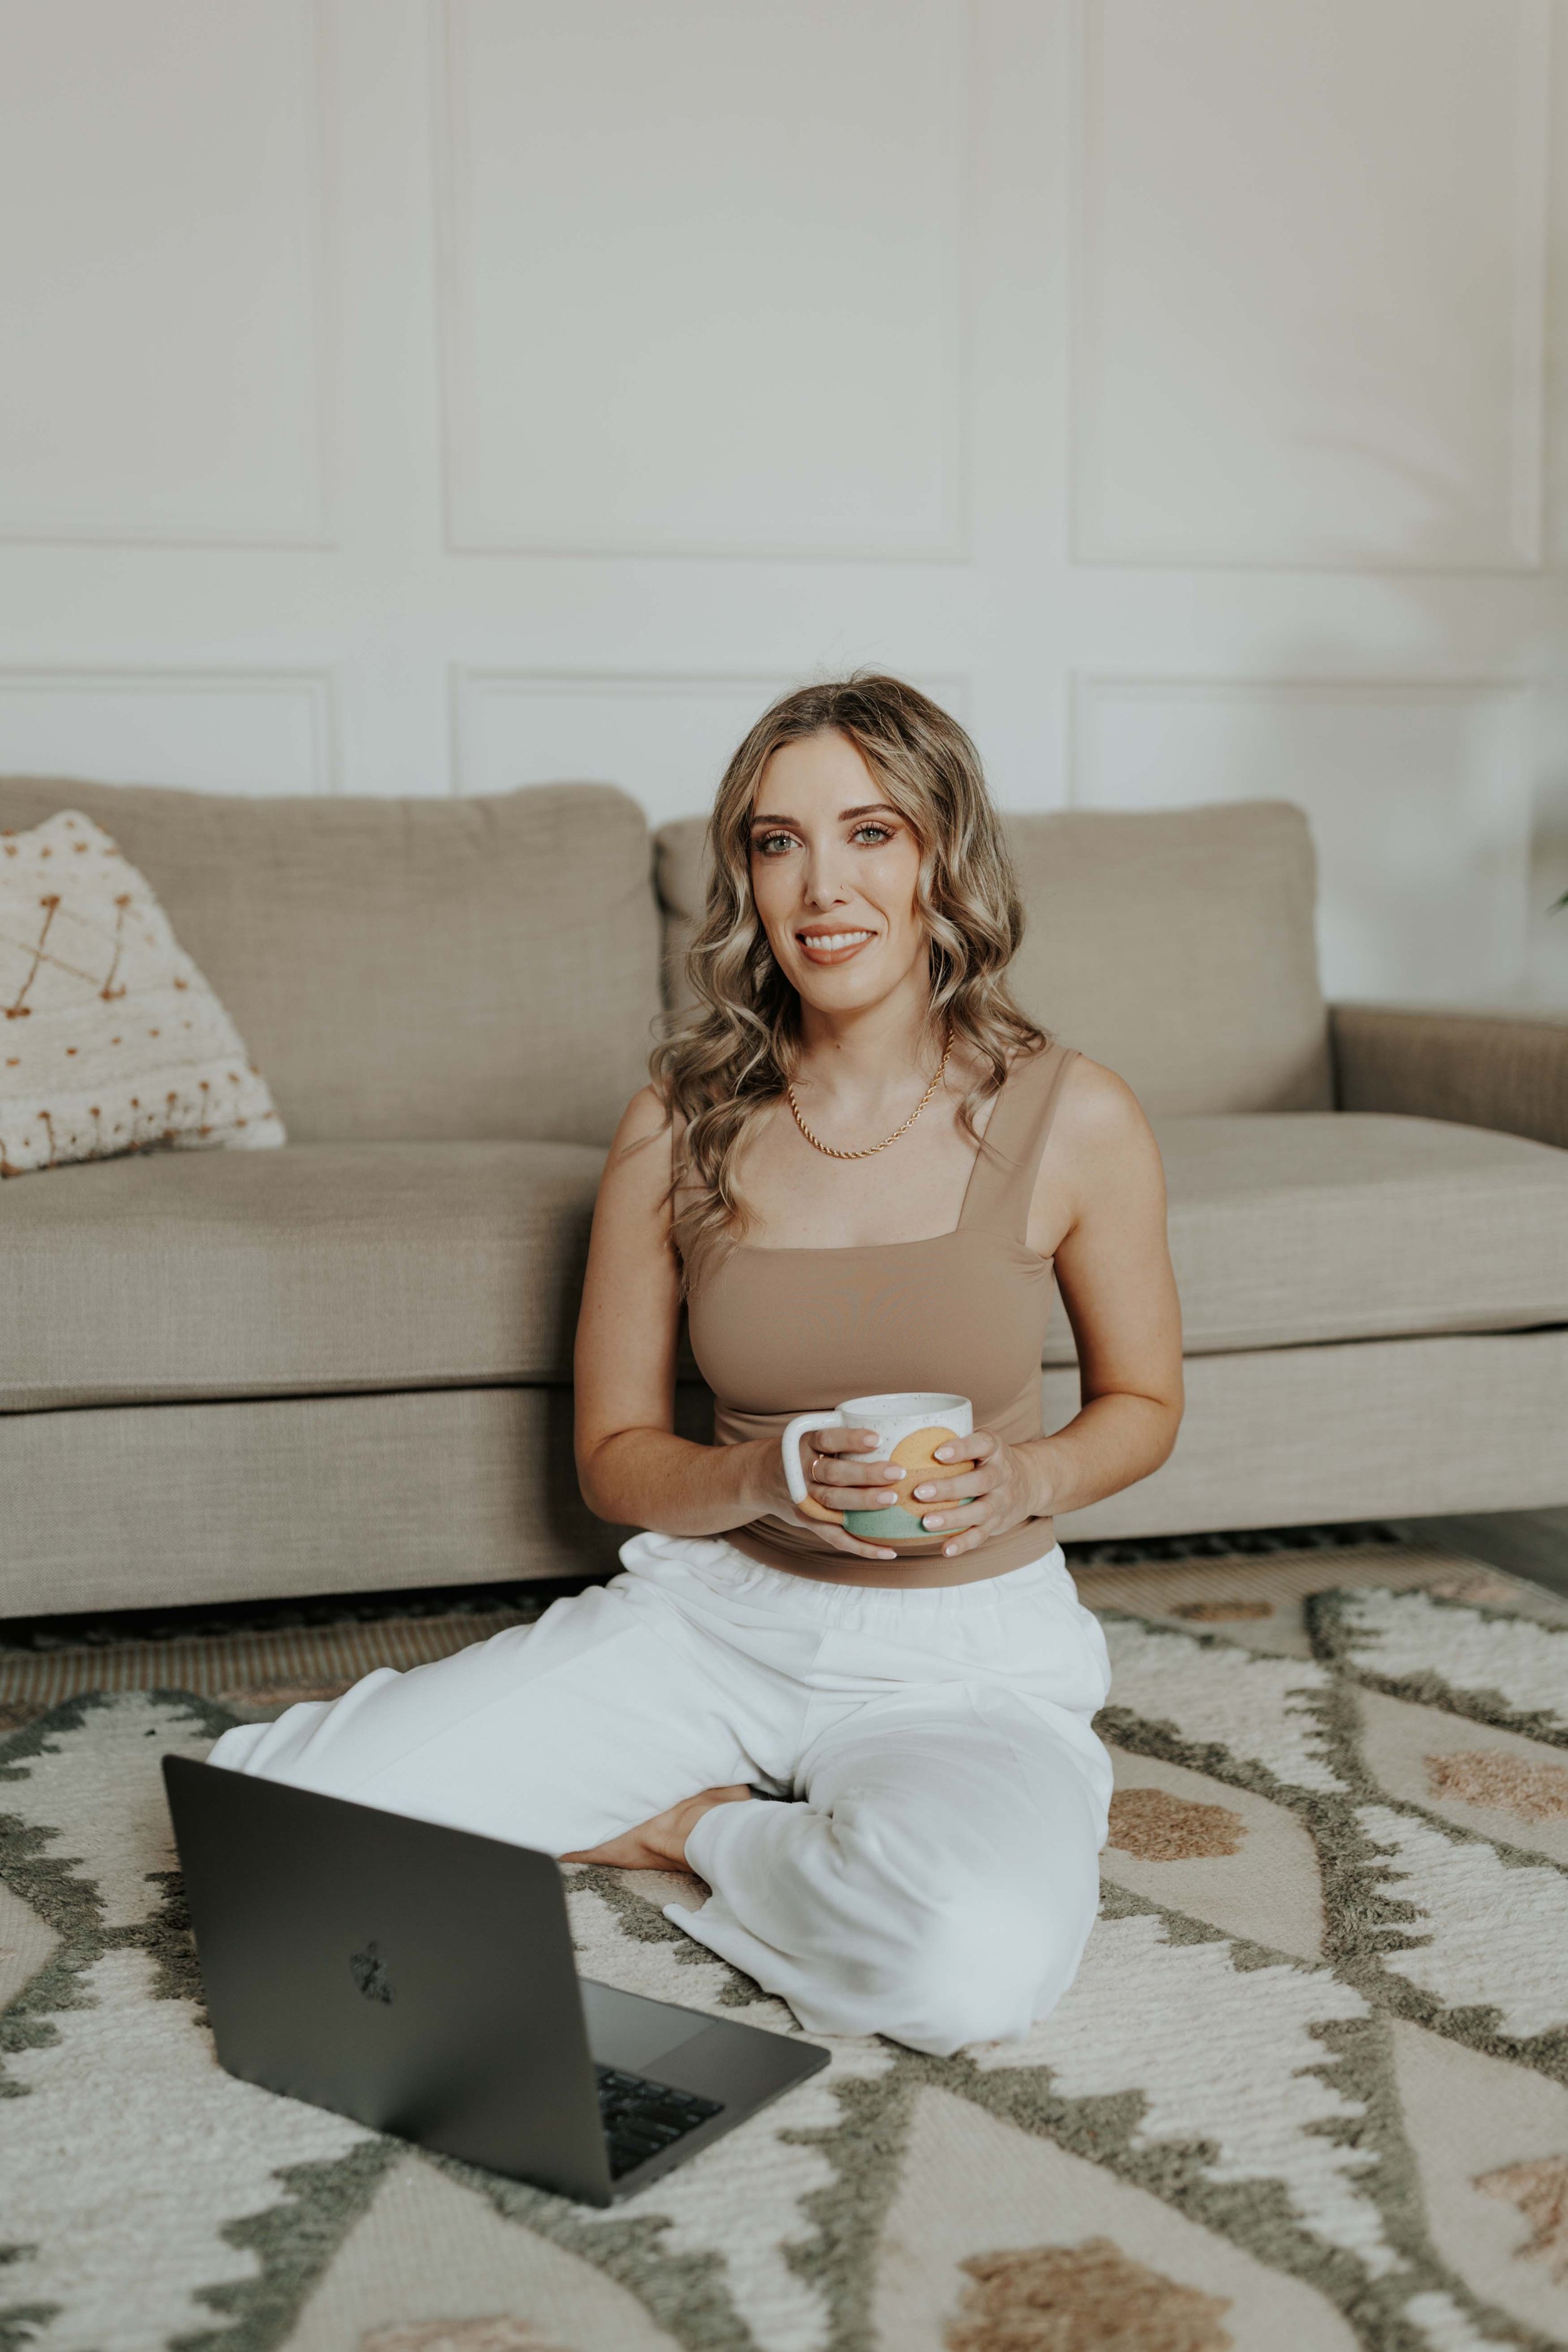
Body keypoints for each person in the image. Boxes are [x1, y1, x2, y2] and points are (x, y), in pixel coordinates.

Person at [209, 677, 1183, 2057]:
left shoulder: (1072, 1112)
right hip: (714, 1619)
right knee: (273, 1817)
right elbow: (613, 1460)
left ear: (941, 861)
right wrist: (762, 1476)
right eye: (775, 842)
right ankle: (730, 1818)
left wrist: (1026, 1474)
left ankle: (701, 1826)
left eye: (870, 833)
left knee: (966, 1973)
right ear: (742, 877)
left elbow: (1144, 1404)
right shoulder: (679, 1120)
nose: (821, 885)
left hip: (962, 1658)